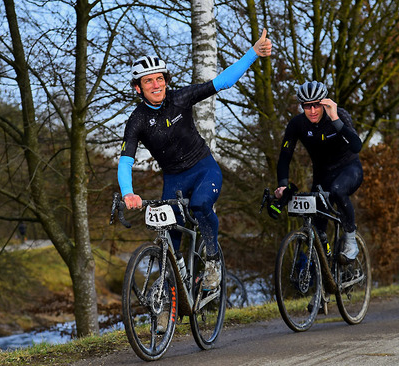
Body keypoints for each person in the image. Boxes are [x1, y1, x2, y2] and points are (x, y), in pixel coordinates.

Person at [118, 29, 272, 291]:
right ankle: (168, 303)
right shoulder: (137, 120)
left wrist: (253, 53)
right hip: (173, 179)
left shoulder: (180, 98)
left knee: (201, 207)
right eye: (149, 82)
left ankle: (212, 261)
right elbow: (125, 160)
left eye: (160, 79)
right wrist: (128, 192)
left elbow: (221, 82)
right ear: (138, 88)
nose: (157, 86)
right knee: (169, 238)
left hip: (203, 170)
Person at [274, 81, 363, 263]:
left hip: (348, 168)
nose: (313, 110)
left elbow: (356, 146)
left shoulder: (339, 115)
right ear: (302, 106)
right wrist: (282, 185)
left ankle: (350, 238)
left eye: (316, 104)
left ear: (324, 103)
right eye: (307, 106)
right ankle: (321, 274)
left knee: (338, 190)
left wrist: (335, 119)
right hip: (322, 175)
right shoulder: (297, 124)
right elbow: (284, 156)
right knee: (316, 227)